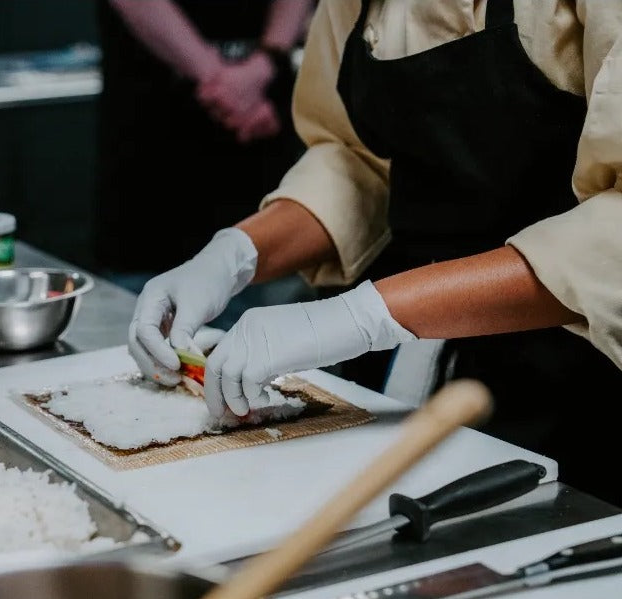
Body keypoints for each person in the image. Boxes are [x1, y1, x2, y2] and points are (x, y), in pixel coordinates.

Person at [129, 0, 622, 507]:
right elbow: (358, 160)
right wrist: (234, 255)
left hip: (584, 386)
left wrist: (364, 315)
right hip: (417, 354)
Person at [93, 0, 316, 329]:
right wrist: (224, 82)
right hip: (154, 155)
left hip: (261, 149)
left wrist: (266, 60)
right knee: (150, 334)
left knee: (263, 326)